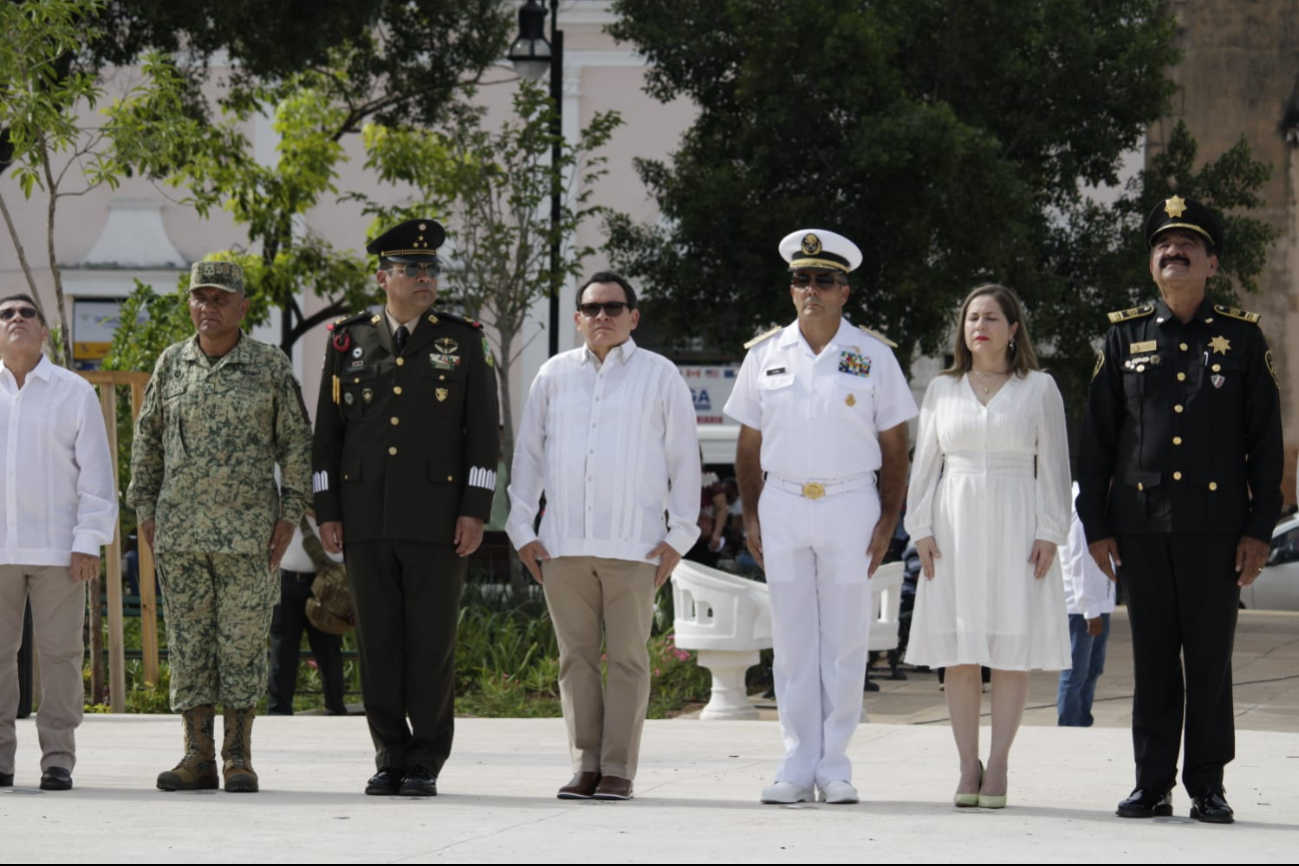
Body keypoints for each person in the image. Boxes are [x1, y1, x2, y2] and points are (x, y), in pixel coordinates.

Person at [1077, 196, 1283, 824]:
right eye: (1164, 244)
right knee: (1154, 661)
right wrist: (1097, 525)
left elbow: (1266, 445)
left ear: (1211, 262)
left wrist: (1258, 530)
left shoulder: (1243, 340)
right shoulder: (1123, 336)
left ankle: (1208, 785)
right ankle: (1152, 783)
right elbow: (1097, 439)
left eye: (1189, 243)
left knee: (1211, 661)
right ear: (1152, 264)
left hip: (1218, 532)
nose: (1175, 251)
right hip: (1139, 530)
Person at [725, 230, 917, 805]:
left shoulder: (874, 356)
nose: (812, 289)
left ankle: (834, 765)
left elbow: (895, 446)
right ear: (791, 291)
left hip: (850, 503)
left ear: (844, 292)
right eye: (802, 279)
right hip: (781, 503)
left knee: (844, 641)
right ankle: (794, 762)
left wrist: (887, 520)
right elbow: (748, 445)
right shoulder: (764, 355)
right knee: (791, 640)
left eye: (825, 280)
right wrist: (752, 513)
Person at [312, 218, 500, 798]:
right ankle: (389, 753)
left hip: (438, 519)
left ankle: (426, 759)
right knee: (378, 643)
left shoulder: (463, 339)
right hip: (366, 517)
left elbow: (483, 436)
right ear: (383, 277)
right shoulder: (348, 339)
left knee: (431, 642)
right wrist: (328, 508)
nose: (426, 277)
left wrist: (475, 509)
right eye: (413, 269)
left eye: (432, 268)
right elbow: (329, 432)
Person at [508, 272, 700, 802]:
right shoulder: (552, 375)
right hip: (563, 546)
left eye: (614, 307)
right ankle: (585, 765)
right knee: (575, 661)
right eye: (592, 308)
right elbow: (528, 456)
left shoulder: (660, 376)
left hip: (635, 548)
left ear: (633, 317)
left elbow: (685, 459)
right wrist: (522, 528)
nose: (603, 316)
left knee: (631, 661)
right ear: (577, 319)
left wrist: (680, 535)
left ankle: (618, 768)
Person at [128, 261, 313, 794]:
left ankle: (238, 757)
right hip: (181, 534)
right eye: (199, 298)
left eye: (219, 298)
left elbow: (296, 444)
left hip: (249, 536)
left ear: (242, 307)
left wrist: (290, 511)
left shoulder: (269, 366)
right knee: (189, 644)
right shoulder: (172, 364)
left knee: (243, 645)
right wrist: (144, 506)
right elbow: (149, 440)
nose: (208, 307)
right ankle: (196, 754)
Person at [905, 284, 1071, 810]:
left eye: (992, 317)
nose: (980, 325)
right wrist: (920, 528)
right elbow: (925, 464)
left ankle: (998, 763)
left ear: (1013, 328)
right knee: (959, 651)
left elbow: (1056, 466)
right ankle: (965, 765)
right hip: (953, 528)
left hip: (1018, 525)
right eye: (972, 316)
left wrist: (1051, 529)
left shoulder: (1039, 388)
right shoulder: (942, 388)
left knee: (1008, 649)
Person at [0, 294, 117, 791]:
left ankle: (58, 759)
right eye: (6, 314)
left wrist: (89, 539)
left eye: (27, 314)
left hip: (59, 552)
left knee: (61, 657)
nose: (17, 319)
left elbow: (96, 472)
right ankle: (1, 760)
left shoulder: (73, 392)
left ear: (44, 331)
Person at [266, 515, 348, 716]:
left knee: (329, 649)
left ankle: (336, 709)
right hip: (287, 578)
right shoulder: (284, 487)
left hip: (328, 580)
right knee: (282, 651)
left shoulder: (328, 490)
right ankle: (278, 713)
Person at [1057, 481, 1115, 727]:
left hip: (1098, 602)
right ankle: (1070, 724)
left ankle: (1082, 719)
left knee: (1092, 670)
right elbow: (1079, 560)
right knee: (1076, 673)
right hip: (1082, 606)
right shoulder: (1082, 504)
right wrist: (1090, 610)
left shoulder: (1096, 501)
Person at [685, 464, 728, 568]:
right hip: (681, 534)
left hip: (704, 536)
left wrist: (716, 534)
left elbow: (721, 508)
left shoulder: (709, 478)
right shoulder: (673, 477)